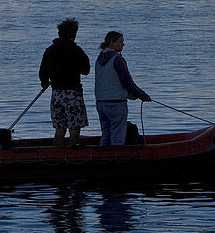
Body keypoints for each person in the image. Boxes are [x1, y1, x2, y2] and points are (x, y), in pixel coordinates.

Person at [39, 17, 90, 147]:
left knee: (59, 127)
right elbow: (86, 70)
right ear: (74, 34)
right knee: (75, 126)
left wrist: (45, 82)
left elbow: (42, 73)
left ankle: (57, 153)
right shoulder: (76, 50)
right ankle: (72, 152)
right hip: (72, 93)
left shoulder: (50, 50)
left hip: (56, 94)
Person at [94, 31, 151, 146]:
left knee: (106, 134)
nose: (122, 45)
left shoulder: (99, 59)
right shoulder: (117, 59)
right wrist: (142, 95)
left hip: (101, 102)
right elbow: (127, 82)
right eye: (120, 42)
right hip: (116, 103)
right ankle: (117, 159)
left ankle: (102, 157)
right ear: (112, 42)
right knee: (117, 135)